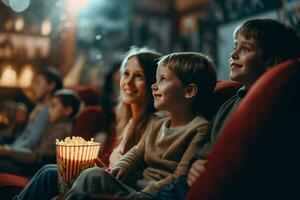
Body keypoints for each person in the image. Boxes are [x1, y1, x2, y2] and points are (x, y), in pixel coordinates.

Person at [147, 19, 300, 200]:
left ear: (271, 62)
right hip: (193, 182)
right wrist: (196, 164)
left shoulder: (277, 108)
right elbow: (206, 148)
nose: (233, 54)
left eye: (245, 48)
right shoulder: (228, 104)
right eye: (235, 46)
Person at [62, 52, 217, 199]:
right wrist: (122, 167)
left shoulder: (199, 128)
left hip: (153, 194)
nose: (154, 86)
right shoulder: (157, 122)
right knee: (92, 174)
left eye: (162, 79)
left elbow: (181, 176)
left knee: (92, 175)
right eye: (155, 80)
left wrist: (147, 193)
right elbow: (136, 153)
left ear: (189, 91)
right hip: (134, 187)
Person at [14, 47, 162, 200]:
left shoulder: (156, 125)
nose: (128, 82)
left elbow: (140, 178)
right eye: (125, 74)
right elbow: (109, 163)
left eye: (139, 76)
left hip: (117, 188)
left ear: (153, 83)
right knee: (49, 171)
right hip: (101, 177)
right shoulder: (125, 121)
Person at [0, 89, 82, 177]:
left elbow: (37, 158)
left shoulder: (60, 131)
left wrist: (9, 152)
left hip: (35, 172)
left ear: (67, 110)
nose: (48, 111)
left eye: (53, 106)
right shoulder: (55, 126)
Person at [0, 67, 62, 151]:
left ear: (50, 86)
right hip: (15, 146)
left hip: (22, 153)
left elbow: (31, 141)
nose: (33, 86)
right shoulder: (38, 106)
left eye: (37, 83)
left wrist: (9, 150)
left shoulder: (47, 111)